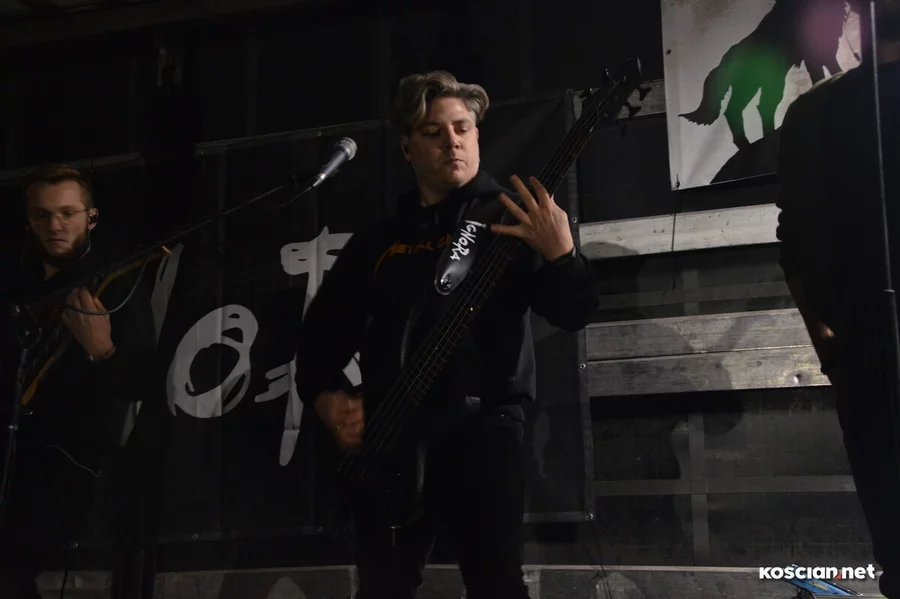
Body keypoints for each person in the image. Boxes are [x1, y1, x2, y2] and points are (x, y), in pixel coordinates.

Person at [293, 71, 599, 598]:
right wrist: (327, 401)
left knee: (496, 585)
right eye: (433, 132)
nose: (452, 141)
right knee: (382, 589)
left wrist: (562, 255)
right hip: (391, 438)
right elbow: (319, 341)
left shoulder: (514, 219)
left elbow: (575, 311)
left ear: (477, 135)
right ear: (407, 146)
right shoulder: (379, 242)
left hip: (483, 432)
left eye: (462, 128)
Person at [777, 1, 900, 596]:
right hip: (866, 363)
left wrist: (829, 344)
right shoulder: (813, 114)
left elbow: (793, 246)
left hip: (862, 362)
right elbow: (794, 243)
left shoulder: (813, 114)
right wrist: (828, 345)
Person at [0, 164, 157, 598]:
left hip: (74, 465)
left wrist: (101, 350)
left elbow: (141, 382)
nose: (55, 226)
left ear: (91, 217)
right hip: (13, 454)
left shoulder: (117, 282)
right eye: (42, 215)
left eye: (67, 213)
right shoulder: (15, 287)